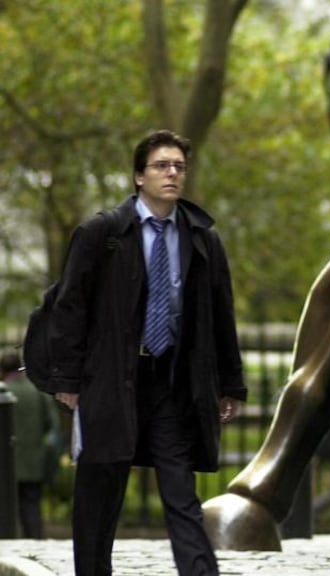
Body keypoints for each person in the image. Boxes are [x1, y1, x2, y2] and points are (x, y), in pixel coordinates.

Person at [45, 130, 247, 575]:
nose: (172, 173)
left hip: (172, 383)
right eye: (161, 165)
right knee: (101, 490)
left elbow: (221, 316)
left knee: (181, 491)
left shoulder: (201, 238)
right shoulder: (102, 234)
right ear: (139, 176)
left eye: (179, 166)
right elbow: (70, 308)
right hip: (111, 381)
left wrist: (230, 383)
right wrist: (68, 381)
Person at [2, 349, 60, 539]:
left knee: (6, 506)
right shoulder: (37, 391)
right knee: (31, 504)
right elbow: (51, 424)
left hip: (6, 462)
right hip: (33, 459)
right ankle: (34, 540)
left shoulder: (4, 391)